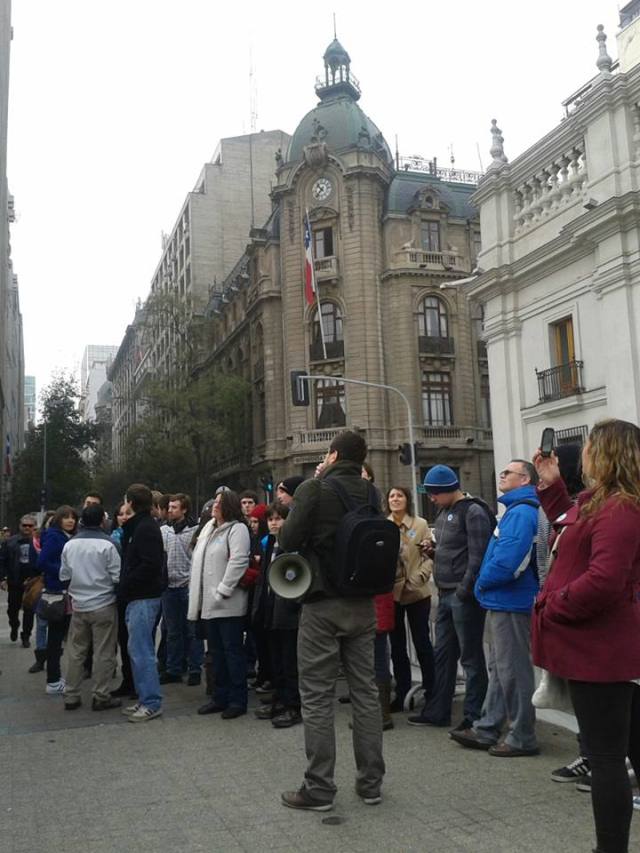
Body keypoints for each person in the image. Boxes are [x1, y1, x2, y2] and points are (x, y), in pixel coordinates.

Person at [532, 419, 640, 853]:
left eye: (592, 445)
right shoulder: (605, 502)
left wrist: (552, 603)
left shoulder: (621, 508)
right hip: (602, 648)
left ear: (608, 452)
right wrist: (552, 486)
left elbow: (603, 581)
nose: (586, 453)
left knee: (608, 757)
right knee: (626, 746)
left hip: (602, 650)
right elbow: (573, 525)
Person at [278, 430, 385, 811]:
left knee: (318, 697)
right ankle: (371, 784)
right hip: (363, 604)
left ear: (334, 454)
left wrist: (318, 480)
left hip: (322, 603)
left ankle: (319, 789)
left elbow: (288, 539)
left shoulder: (314, 488)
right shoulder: (372, 492)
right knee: (366, 694)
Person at [450, 459, 540, 757]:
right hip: (504, 599)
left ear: (525, 479)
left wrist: (482, 583)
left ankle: (522, 736)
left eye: (508, 473)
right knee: (500, 668)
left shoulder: (521, 513)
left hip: (510, 600)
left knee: (512, 669)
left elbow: (509, 559)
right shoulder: (516, 511)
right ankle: (488, 726)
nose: (501, 475)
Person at [409, 465, 493, 729]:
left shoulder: (473, 512)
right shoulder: (445, 512)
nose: (431, 498)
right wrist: (433, 552)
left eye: (434, 493)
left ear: (447, 490)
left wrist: (464, 590)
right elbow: (456, 550)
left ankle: (474, 716)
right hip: (446, 591)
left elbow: (478, 556)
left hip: (460, 595)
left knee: (470, 657)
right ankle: (438, 711)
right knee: (443, 655)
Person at [188, 488, 251, 718]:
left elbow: (238, 562)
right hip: (209, 606)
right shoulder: (208, 528)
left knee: (232, 653)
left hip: (228, 604)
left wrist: (222, 591)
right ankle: (220, 697)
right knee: (216, 654)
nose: (214, 506)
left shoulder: (237, 529)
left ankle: (237, 700)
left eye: (218, 502)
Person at [59, 504, 121, 711]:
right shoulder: (109, 544)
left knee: (76, 651)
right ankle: (101, 695)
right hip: (103, 603)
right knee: (103, 652)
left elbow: (64, 576)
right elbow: (117, 576)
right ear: (102, 521)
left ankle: (71, 695)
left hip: (78, 605)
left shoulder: (70, 545)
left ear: (81, 521)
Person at [385, 486, 434, 713]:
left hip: (417, 592)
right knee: (397, 646)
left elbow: (429, 555)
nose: (395, 499)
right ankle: (402, 690)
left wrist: (420, 577)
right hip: (393, 594)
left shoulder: (420, 525)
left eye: (400, 495)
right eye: (392, 496)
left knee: (422, 641)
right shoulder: (383, 526)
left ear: (407, 500)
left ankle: (432, 690)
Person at [118, 483, 165, 722]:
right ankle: (144, 697)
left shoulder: (146, 529)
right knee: (135, 649)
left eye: (126, 501)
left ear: (132, 503)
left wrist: (126, 583)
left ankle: (151, 702)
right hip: (136, 596)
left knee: (142, 651)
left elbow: (150, 564)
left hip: (144, 597)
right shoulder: (137, 527)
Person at [252, 501, 302, 728]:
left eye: (278, 518)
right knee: (276, 661)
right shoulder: (269, 543)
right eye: (270, 519)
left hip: (288, 612)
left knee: (289, 661)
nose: (273, 523)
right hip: (270, 610)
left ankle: (293, 705)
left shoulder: (292, 546)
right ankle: (280, 699)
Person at [160, 494, 202, 686]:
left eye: (175, 507)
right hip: (169, 587)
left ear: (184, 509)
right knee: (172, 631)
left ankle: (195, 669)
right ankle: (173, 668)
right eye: (169, 507)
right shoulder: (164, 531)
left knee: (192, 631)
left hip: (188, 586)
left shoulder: (195, 531)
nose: (170, 511)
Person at [37, 505, 78, 694]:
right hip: (57, 592)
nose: (70, 520)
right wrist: (64, 573)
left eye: (73, 518)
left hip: (62, 592)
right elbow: (42, 562)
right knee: (55, 637)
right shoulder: (55, 536)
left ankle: (55, 677)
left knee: (59, 637)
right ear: (58, 519)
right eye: (66, 517)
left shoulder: (61, 535)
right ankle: (53, 680)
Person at [0, 514, 39, 647]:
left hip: (32, 581)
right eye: (24, 525)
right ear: (20, 526)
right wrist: (2, 578)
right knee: (12, 609)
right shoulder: (9, 542)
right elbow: (2, 561)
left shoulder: (38, 541)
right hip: (14, 579)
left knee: (29, 610)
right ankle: (14, 625)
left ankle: (26, 636)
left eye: (30, 525)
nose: (27, 528)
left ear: (34, 526)